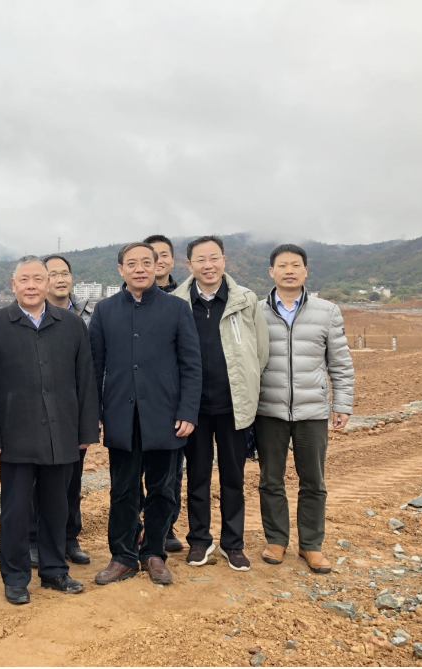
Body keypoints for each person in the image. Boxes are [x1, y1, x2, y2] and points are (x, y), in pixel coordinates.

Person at [0, 256, 100, 605]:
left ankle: (54, 570)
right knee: (15, 511)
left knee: (57, 507)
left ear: (47, 284)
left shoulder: (71, 324)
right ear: (13, 285)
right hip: (15, 434)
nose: (31, 286)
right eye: (24, 280)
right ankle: (15, 577)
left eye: (37, 279)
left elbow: (86, 379)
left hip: (62, 433)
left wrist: (86, 430)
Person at [89, 242, 200, 587]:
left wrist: (188, 411)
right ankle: (122, 556)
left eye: (146, 263)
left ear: (157, 267)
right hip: (121, 416)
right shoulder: (105, 310)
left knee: (163, 489)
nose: (139, 269)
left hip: (165, 417)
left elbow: (191, 364)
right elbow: (94, 367)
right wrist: (94, 412)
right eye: (132, 263)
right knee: (123, 490)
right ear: (120, 269)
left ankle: (153, 553)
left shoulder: (176, 308)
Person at [172, 236, 268, 571]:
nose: (208, 265)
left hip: (233, 406)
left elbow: (261, 351)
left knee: (233, 477)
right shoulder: (177, 302)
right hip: (193, 408)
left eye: (214, 258)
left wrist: (246, 386)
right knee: (197, 477)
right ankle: (199, 541)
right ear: (189, 265)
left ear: (224, 260)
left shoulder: (245, 300)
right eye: (200, 259)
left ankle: (233, 543)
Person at [256, 244, 354, 575]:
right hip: (268, 410)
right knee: (270, 479)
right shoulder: (257, 312)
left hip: (312, 412)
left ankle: (311, 544)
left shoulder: (327, 312)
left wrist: (342, 404)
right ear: (271, 272)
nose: (289, 270)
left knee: (313, 480)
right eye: (282, 265)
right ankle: (276, 540)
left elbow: (340, 363)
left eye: (295, 265)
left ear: (306, 271)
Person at [24, 254, 94, 568]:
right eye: (53, 273)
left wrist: (88, 419)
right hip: (35, 412)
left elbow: (89, 372)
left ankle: (69, 537)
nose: (60, 279)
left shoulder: (86, 316)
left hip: (70, 412)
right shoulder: (29, 316)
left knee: (71, 480)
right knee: (35, 482)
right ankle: (34, 538)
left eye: (65, 273)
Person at [141, 235, 183, 552]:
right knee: (131, 475)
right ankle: (137, 527)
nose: (157, 260)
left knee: (170, 473)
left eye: (163, 254)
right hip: (135, 402)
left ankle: (165, 527)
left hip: (170, 402)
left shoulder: (182, 300)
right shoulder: (123, 302)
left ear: (169, 261)